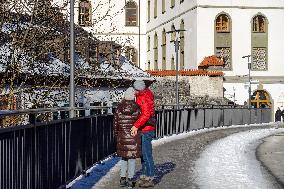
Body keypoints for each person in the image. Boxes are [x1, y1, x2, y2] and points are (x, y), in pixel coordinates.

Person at [113, 87, 141, 188]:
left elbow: (115, 124)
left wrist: (117, 135)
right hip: (133, 137)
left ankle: (122, 179)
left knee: (124, 158)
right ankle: (130, 180)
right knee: (131, 159)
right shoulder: (137, 108)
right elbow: (140, 123)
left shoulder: (118, 108)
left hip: (122, 136)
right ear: (133, 96)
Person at [131, 80, 156, 188]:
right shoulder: (146, 94)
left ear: (137, 89)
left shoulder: (143, 97)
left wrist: (136, 126)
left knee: (146, 154)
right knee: (144, 154)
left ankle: (150, 177)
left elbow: (145, 114)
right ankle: (145, 175)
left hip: (146, 129)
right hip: (145, 129)